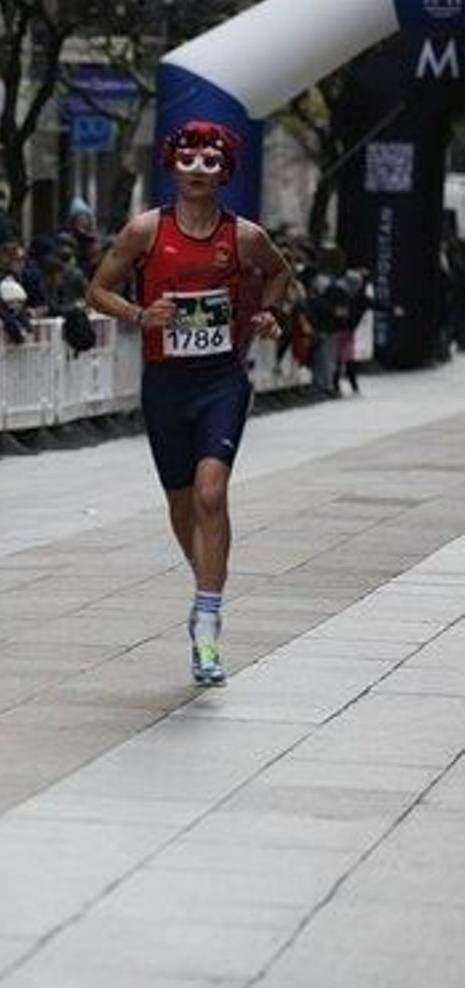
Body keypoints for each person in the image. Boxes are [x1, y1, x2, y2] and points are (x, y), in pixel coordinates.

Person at [85, 119, 291, 687]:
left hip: (222, 379)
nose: (199, 171)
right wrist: (138, 315)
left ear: (225, 172)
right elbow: (97, 289)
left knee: (211, 492)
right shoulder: (145, 231)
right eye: (189, 160)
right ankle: (205, 583)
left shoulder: (243, 236)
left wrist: (269, 313)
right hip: (165, 383)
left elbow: (279, 274)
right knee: (182, 505)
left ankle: (207, 620)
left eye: (211, 162)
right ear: (173, 166)